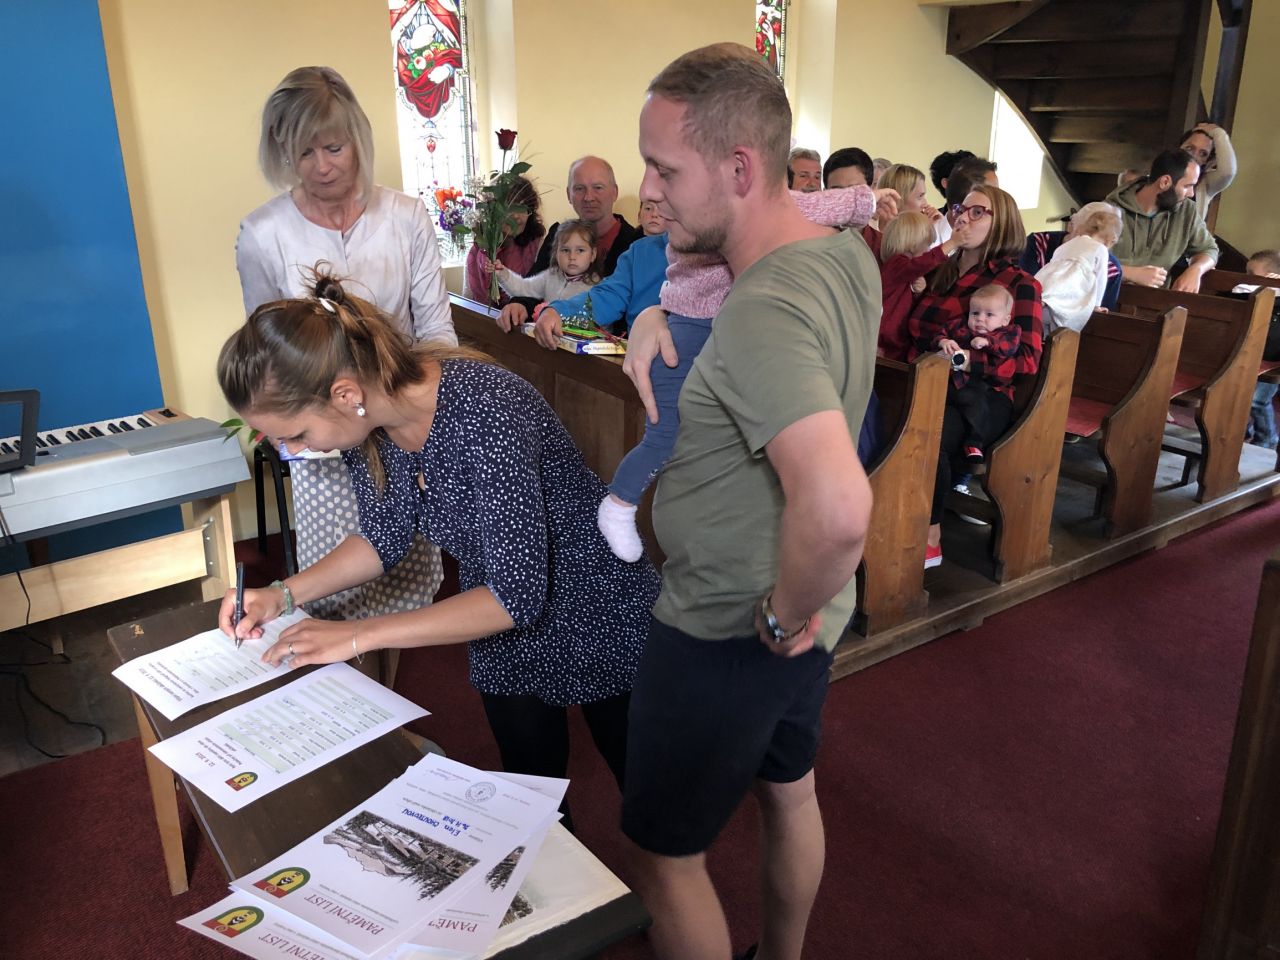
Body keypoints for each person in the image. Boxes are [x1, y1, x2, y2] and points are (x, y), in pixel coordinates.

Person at [216, 276, 660, 826]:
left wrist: (356, 635)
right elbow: (383, 535)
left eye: (297, 434)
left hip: (596, 604)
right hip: (496, 616)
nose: (291, 450)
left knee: (646, 797)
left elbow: (516, 597)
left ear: (345, 395)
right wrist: (281, 595)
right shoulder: (370, 428)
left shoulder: (484, 407)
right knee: (534, 789)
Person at [621, 43, 876, 960]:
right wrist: (653, 311)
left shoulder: (763, 308)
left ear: (739, 169)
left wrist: (779, 615)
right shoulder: (840, 253)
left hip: (734, 621)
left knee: (662, 858)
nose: (649, 192)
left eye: (664, 170)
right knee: (789, 791)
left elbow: (838, 506)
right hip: (814, 607)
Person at [235, 65, 451, 626]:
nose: (322, 166)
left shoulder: (405, 217)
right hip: (323, 442)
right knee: (334, 599)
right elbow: (270, 353)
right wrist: (293, 432)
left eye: (334, 147)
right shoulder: (263, 234)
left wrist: (432, 438)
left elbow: (436, 333)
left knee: (407, 589)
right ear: (281, 151)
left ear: (357, 138)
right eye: (304, 152)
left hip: (401, 430)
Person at [597, 186, 878, 563]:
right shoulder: (711, 204)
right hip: (691, 323)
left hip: (725, 323)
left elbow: (798, 206)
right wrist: (865, 200)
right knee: (664, 434)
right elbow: (806, 205)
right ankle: (619, 503)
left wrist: (865, 201)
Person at [909, 184, 1043, 569]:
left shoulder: (1019, 284)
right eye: (960, 209)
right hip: (926, 381)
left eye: (978, 211)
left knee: (927, 434)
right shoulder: (941, 269)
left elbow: (1027, 360)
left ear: (1002, 224)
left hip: (982, 397)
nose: (963, 217)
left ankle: (929, 535)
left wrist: (969, 362)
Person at [499, 156, 641, 329]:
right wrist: (519, 304)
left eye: (598, 188)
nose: (588, 197)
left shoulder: (636, 244)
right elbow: (537, 281)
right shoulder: (558, 234)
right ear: (568, 194)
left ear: (614, 192)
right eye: (579, 188)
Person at [930, 284, 1023, 465]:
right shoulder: (959, 326)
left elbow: (1008, 348)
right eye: (975, 313)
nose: (980, 319)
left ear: (1005, 320)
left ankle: (974, 442)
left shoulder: (1008, 332)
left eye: (989, 315)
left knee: (977, 405)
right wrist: (943, 341)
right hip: (950, 381)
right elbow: (939, 335)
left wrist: (988, 342)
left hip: (979, 385)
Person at [1107, 148, 1218, 293]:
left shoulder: (1186, 210)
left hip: (1157, 302)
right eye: (1187, 186)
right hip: (1109, 301)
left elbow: (1209, 249)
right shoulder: (1108, 210)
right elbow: (1088, 261)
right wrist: (1131, 273)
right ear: (1165, 182)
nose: (1191, 194)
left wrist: (1196, 269)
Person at [878, 211, 972, 360]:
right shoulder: (896, 264)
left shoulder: (906, 272)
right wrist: (952, 243)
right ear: (912, 244)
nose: (928, 250)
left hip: (898, 341)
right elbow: (922, 263)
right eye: (927, 245)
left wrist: (917, 291)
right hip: (884, 341)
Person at [1034, 202, 1124, 332]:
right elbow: (1100, 279)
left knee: (1042, 312)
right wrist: (1096, 305)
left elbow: (1052, 264)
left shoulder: (1068, 244)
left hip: (1046, 284)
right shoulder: (1100, 249)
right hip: (1069, 291)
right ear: (1112, 239)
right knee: (1065, 316)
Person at [463, 175, 545, 305]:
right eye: (509, 208)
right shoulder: (478, 250)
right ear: (492, 212)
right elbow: (467, 301)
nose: (517, 216)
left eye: (523, 207)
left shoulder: (539, 247)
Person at [1234, 250, 1280, 449]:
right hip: (1247, 352)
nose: (1248, 278)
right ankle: (1240, 431)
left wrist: (1273, 290)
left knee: (1257, 400)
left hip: (1271, 357)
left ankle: (1267, 438)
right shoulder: (1247, 291)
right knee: (1237, 396)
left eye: (1252, 274)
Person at [493, 218, 600, 304]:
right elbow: (523, 289)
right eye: (565, 250)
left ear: (593, 254)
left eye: (580, 250)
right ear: (556, 253)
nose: (572, 256)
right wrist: (502, 274)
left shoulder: (596, 288)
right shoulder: (551, 276)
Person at [1180, 122, 1237, 220]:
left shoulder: (1205, 183)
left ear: (1206, 161)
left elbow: (1227, 172)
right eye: (1189, 148)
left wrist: (1218, 133)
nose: (1193, 156)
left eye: (1203, 154)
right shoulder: (1162, 173)